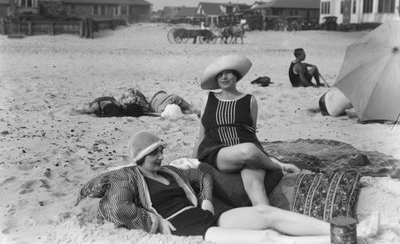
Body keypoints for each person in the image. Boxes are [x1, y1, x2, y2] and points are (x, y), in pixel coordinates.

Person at [82, 131, 330, 243]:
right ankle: (335, 241)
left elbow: (202, 178)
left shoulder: (170, 171)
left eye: (160, 152)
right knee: (266, 238)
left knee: (266, 213)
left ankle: (339, 232)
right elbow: (118, 208)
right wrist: (153, 223)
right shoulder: (128, 177)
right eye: (153, 155)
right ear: (139, 159)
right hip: (186, 228)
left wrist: (206, 201)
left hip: (204, 216)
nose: (160, 158)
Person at [192, 54, 300, 207]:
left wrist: (260, 153)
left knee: (257, 188)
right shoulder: (208, 98)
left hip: (247, 148)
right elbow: (201, 134)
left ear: (236, 75)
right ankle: (278, 166)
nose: (224, 77)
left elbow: (251, 133)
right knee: (248, 151)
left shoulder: (250, 100)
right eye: (219, 75)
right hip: (218, 150)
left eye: (228, 73)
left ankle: (268, 222)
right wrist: (191, 161)